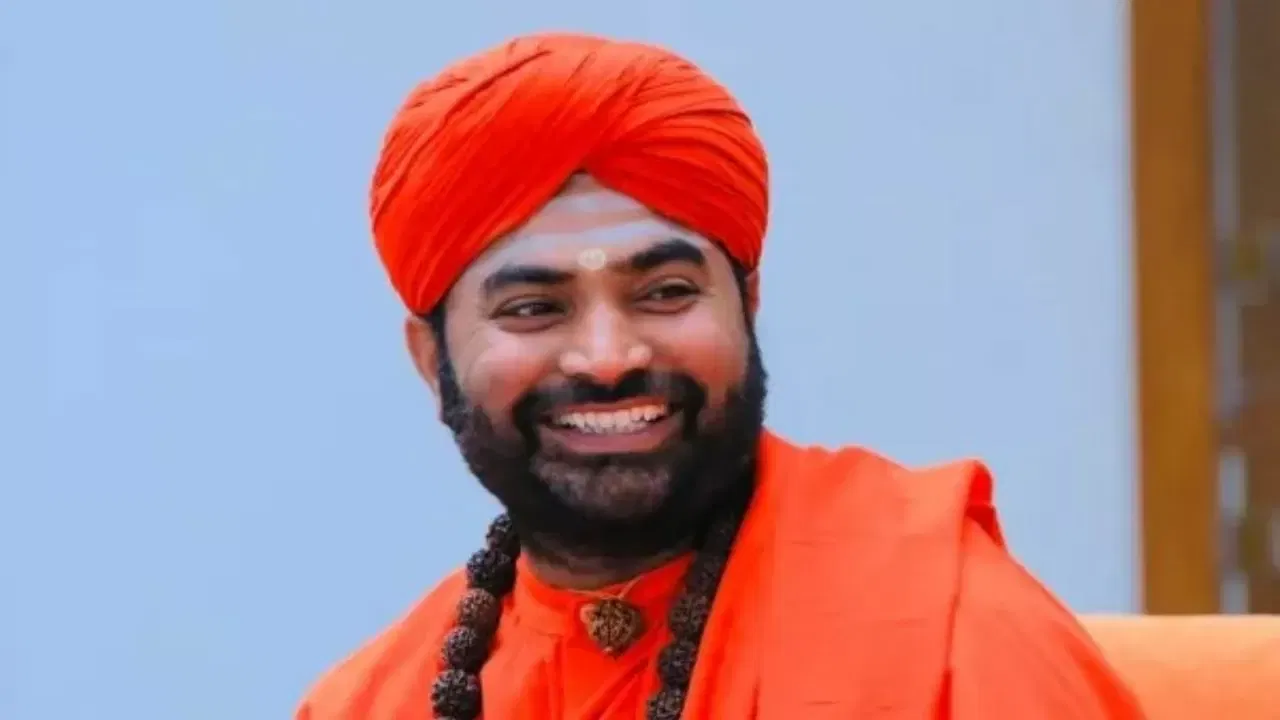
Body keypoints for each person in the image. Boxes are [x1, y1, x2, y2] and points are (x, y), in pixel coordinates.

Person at [296, 32, 1146, 720]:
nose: (609, 356)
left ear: (748, 304)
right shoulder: (370, 704)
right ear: (430, 358)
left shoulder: (955, 633)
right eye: (533, 308)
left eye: (665, 293)